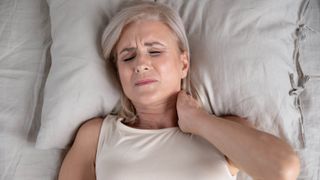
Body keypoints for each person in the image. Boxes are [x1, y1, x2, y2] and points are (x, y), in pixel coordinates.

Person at [58, 2, 300, 180]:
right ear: (119, 72)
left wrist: (199, 121)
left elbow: (282, 171)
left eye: (154, 51)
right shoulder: (97, 135)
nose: (140, 63)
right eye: (128, 56)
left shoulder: (223, 130)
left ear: (183, 64)